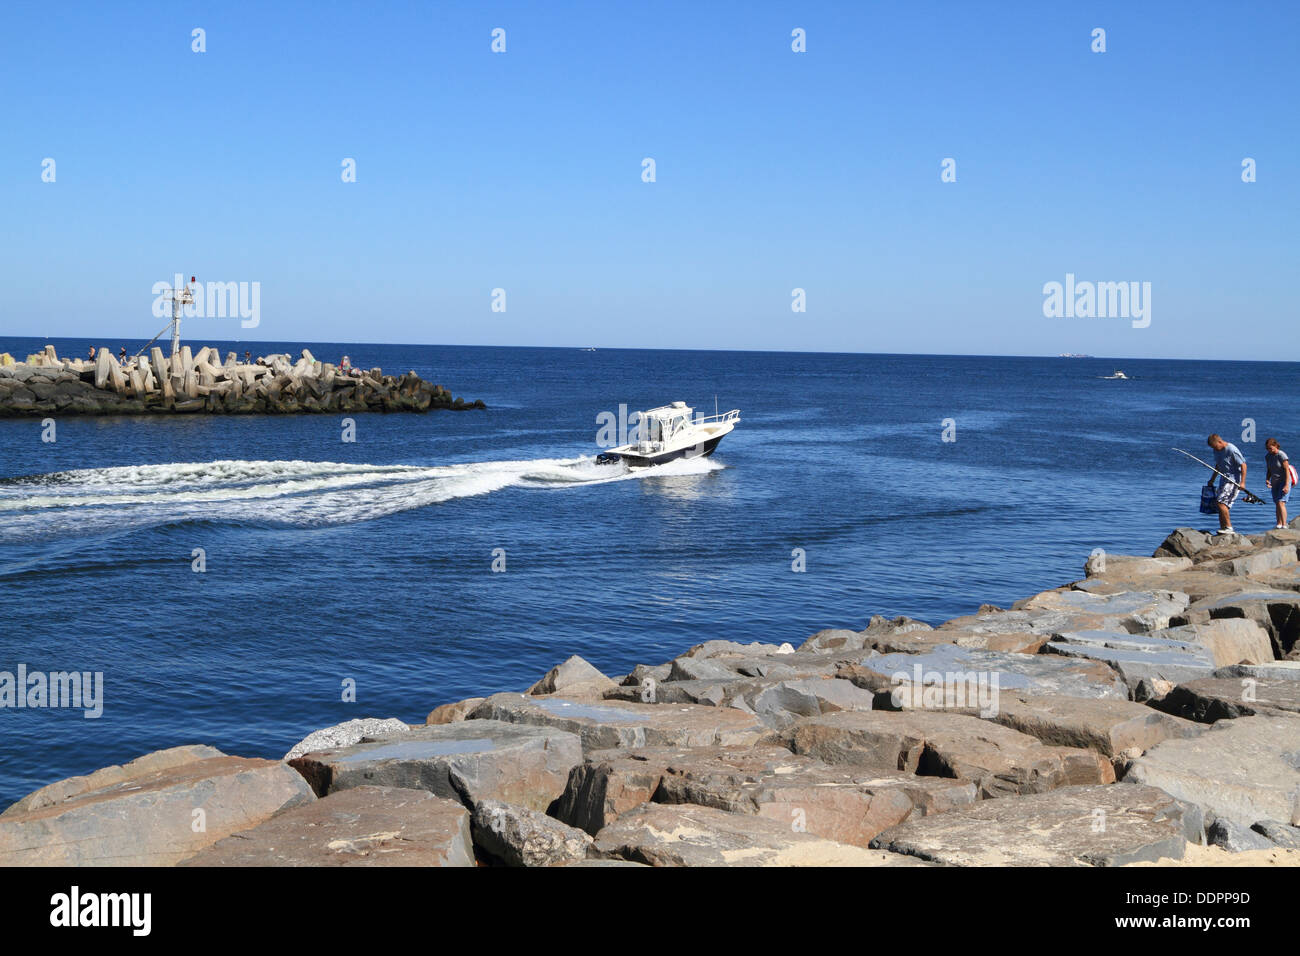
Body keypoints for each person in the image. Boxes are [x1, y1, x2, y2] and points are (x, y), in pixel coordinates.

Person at [1206, 434, 1247, 534]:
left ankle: (1229, 527)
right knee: (1220, 504)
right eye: (1213, 448)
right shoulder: (1216, 450)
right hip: (1223, 479)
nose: (1215, 449)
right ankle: (1223, 527)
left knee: (1221, 502)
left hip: (1233, 480)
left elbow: (1243, 465)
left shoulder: (1231, 449)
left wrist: (1243, 482)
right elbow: (1218, 465)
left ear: (1220, 442)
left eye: (1215, 446)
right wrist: (1212, 479)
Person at [1264, 438, 1292, 529]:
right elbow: (1269, 469)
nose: (1269, 450)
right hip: (1275, 482)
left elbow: (1287, 470)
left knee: (1281, 502)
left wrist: (1287, 485)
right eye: (1267, 448)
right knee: (1277, 502)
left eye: (1271, 448)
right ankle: (1279, 523)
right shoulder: (1268, 456)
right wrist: (1267, 479)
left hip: (1284, 481)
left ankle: (1284, 524)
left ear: (1276, 446)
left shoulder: (1281, 455)